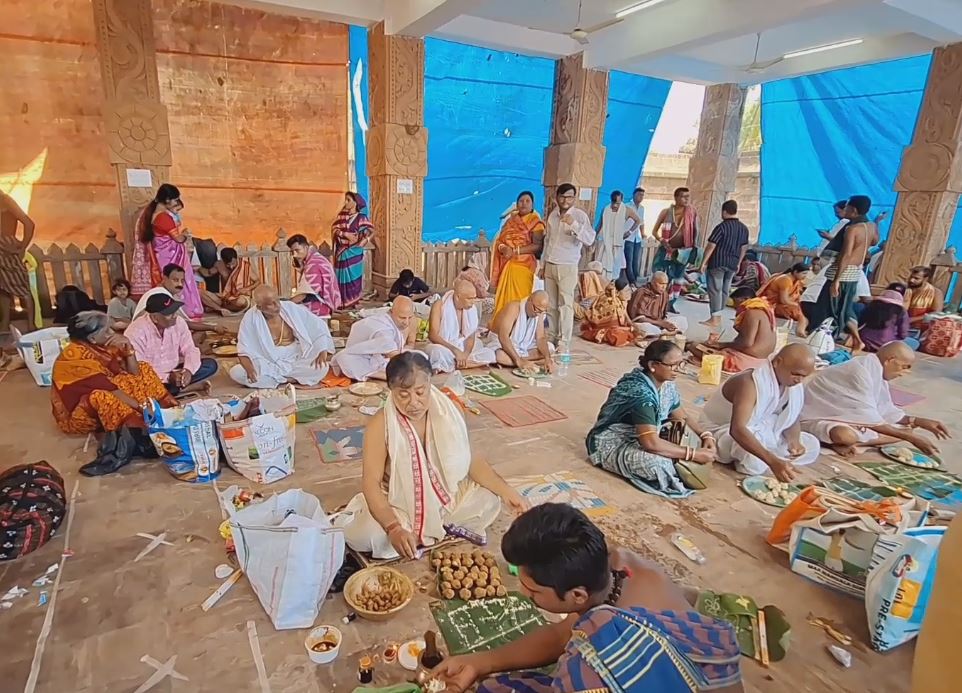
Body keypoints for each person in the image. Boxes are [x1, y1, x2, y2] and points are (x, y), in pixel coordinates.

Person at [433, 503, 742, 693]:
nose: (524, 595)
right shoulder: (615, 564)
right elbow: (563, 633)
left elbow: (571, 638)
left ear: (577, 595)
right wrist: (479, 662)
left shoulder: (606, 654)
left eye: (534, 591)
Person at [336, 352, 526, 559]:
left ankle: (433, 526)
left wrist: (508, 492)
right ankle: (424, 529)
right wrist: (393, 528)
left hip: (444, 496)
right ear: (390, 390)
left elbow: (470, 459)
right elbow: (371, 483)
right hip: (399, 503)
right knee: (365, 535)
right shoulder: (380, 424)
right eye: (404, 394)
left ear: (430, 383)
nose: (414, 402)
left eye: (420, 392)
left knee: (489, 500)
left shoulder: (450, 410)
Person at [586, 340, 717, 498]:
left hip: (644, 436)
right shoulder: (641, 394)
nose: (678, 370)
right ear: (653, 365)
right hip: (613, 442)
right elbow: (650, 443)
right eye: (673, 365)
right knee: (661, 466)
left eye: (681, 363)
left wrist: (705, 435)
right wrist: (693, 454)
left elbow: (681, 415)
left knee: (686, 440)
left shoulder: (666, 384)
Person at [799, 342, 950, 458]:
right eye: (904, 367)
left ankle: (854, 443)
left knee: (906, 429)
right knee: (845, 436)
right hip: (816, 419)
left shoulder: (875, 371)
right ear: (890, 360)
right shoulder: (860, 371)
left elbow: (884, 410)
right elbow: (872, 419)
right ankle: (848, 442)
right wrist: (912, 439)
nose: (904, 373)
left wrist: (918, 421)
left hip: (851, 419)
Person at [702, 344, 819, 481]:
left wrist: (794, 441)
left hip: (762, 430)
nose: (799, 380)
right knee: (754, 462)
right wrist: (771, 460)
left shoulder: (791, 385)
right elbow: (737, 429)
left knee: (812, 445)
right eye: (796, 374)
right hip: (722, 432)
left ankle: (772, 457)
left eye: (803, 376)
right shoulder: (749, 382)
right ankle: (769, 459)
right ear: (777, 362)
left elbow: (790, 415)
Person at [51, 311, 176, 434]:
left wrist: (129, 347)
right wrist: (142, 408)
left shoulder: (104, 345)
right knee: (102, 397)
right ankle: (137, 428)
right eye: (106, 331)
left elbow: (135, 373)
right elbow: (112, 390)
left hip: (109, 391)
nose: (112, 333)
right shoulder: (75, 357)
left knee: (143, 367)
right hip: (80, 414)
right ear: (92, 338)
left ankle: (163, 409)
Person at [231, 286, 335, 388]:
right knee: (237, 372)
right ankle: (290, 379)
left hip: (296, 356)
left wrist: (322, 351)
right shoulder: (251, 317)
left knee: (322, 368)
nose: (277, 305)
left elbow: (318, 327)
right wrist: (250, 370)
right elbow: (244, 349)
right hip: (267, 360)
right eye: (271, 303)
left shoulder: (290, 307)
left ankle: (277, 380)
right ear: (260, 307)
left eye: (277, 300)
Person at [129, 183, 203, 319]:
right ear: (168, 200)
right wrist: (186, 234)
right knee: (179, 282)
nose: (176, 203)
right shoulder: (163, 217)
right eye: (175, 200)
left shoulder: (150, 213)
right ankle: (186, 312)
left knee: (167, 283)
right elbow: (178, 239)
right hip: (169, 255)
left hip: (160, 255)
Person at [807, 195, 873, 346]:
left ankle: (819, 339)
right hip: (854, 272)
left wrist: (836, 280)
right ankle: (856, 339)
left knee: (826, 307)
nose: (844, 210)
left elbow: (846, 254)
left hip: (842, 271)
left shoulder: (852, 229)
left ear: (854, 210)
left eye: (847, 207)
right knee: (845, 308)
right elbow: (874, 240)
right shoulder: (870, 227)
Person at [125, 293, 218, 396]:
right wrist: (168, 378)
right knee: (140, 387)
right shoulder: (136, 331)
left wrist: (188, 371)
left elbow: (190, 349)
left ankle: (171, 390)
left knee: (210, 365)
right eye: (169, 314)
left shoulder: (179, 322)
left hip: (175, 370)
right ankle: (182, 389)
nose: (175, 316)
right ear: (155, 317)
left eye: (174, 311)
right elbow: (139, 369)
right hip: (151, 378)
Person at [541, 183, 596, 350]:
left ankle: (564, 342)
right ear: (556, 197)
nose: (566, 200)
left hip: (567, 266)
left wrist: (574, 225)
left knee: (565, 304)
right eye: (563, 196)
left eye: (570, 197)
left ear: (574, 198)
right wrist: (543, 264)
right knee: (550, 304)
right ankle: (551, 337)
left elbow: (589, 239)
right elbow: (548, 241)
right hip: (550, 263)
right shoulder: (552, 216)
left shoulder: (579, 216)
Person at [134, 263, 229, 344]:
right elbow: (182, 323)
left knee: (199, 333)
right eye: (175, 280)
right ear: (164, 278)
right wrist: (213, 328)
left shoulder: (166, 293)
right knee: (197, 335)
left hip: (158, 334)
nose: (179, 284)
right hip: (150, 339)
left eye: (182, 281)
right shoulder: (160, 295)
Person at [689, 287, 776, 374]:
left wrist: (721, 345)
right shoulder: (764, 308)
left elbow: (746, 343)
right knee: (703, 346)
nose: (734, 306)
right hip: (761, 361)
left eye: (736, 302)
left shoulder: (752, 312)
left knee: (693, 346)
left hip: (746, 362)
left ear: (745, 299)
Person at [330, 296, 417, 381]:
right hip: (360, 356)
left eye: (409, 317)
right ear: (391, 312)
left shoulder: (397, 321)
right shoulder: (383, 329)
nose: (406, 322)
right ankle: (384, 376)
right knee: (345, 359)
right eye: (402, 318)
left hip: (379, 357)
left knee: (420, 356)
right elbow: (394, 355)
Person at [424, 278, 496, 373]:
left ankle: (454, 364)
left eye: (474, 298)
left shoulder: (472, 309)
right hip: (445, 347)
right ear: (458, 297)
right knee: (435, 352)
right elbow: (433, 335)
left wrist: (465, 354)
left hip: (462, 347)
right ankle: (465, 364)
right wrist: (455, 351)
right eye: (469, 299)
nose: (473, 302)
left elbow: (470, 336)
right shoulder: (439, 305)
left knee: (489, 353)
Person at [491, 191, 545, 315]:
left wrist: (514, 251)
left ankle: (516, 325)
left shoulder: (536, 222)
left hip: (524, 265)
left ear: (533, 204)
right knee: (503, 299)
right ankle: (501, 324)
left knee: (519, 299)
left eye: (527, 201)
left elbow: (537, 246)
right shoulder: (510, 220)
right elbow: (500, 240)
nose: (524, 204)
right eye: (521, 201)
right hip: (507, 263)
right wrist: (503, 248)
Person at [700, 200, 749, 329]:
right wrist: (738, 262)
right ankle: (719, 316)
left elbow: (711, 246)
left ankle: (714, 318)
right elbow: (744, 247)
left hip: (718, 262)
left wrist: (703, 262)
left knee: (715, 289)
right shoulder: (743, 228)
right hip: (733, 263)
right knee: (725, 289)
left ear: (724, 211)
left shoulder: (721, 227)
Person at [650, 187, 699, 310]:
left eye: (688, 196)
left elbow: (696, 232)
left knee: (678, 278)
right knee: (662, 277)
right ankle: (659, 302)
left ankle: (670, 304)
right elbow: (654, 231)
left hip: (682, 252)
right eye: (684, 196)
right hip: (666, 250)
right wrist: (662, 241)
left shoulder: (691, 213)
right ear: (676, 197)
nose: (687, 199)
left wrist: (693, 250)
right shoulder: (666, 212)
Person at [488, 290, 554, 372]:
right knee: (499, 356)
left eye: (542, 311)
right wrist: (518, 360)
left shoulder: (539, 313)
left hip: (522, 347)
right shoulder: (514, 307)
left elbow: (540, 338)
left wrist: (547, 358)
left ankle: (518, 362)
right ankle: (529, 362)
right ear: (529, 300)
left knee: (550, 348)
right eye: (536, 309)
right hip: (502, 343)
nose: (538, 314)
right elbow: (503, 337)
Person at [0, 191, 37, 332]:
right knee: (3, 288)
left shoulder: (6, 200)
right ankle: (4, 324)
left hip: (8, 248)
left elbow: (29, 224)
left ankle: (31, 324)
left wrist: (22, 247)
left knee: (22, 286)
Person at [332, 191, 374, 308]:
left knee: (354, 277)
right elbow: (334, 230)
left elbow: (371, 231)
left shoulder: (361, 217)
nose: (345, 202)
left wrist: (364, 241)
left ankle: (353, 300)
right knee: (341, 276)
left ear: (355, 203)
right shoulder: (341, 216)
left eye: (348, 200)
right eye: (345, 200)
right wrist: (346, 234)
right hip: (342, 251)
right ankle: (342, 301)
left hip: (355, 252)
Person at [288, 234, 341, 319]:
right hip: (325, 302)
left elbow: (303, 294)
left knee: (290, 314)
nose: (294, 255)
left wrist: (285, 304)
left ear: (305, 247)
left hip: (320, 307)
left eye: (297, 250)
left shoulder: (313, 265)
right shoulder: (316, 258)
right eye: (292, 252)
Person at [594, 190, 640, 282]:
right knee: (602, 266)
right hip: (605, 242)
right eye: (613, 202)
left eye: (618, 203)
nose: (615, 206)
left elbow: (638, 221)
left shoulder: (627, 210)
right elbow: (600, 225)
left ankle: (614, 285)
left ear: (622, 200)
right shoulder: (606, 209)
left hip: (618, 243)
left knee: (618, 266)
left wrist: (629, 232)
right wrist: (593, 237)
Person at [627, 271, 690, 338]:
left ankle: (662, 332)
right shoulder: (641, 292)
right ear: (653, 282)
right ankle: (664, 333)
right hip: (645, 323)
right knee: (646, 328)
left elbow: (664, 315)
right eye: (661, 283)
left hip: (660, 324)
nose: (664, 287)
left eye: (665, 284)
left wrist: (666, 323)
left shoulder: (664, 294)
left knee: (683, 320)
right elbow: (638, 318)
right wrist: (661, 323)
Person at [198, 247, 259, 315]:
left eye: (233, 263)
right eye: (228, 264)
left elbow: (257, 281)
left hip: (239, 298)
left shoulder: (244, 266)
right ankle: (220, 309)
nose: (231, 267)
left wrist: (246, 288)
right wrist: (197, 267)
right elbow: (207, 273)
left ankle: (216, 308)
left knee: (240, 302)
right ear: (223, 260)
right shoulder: (219, 265)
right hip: (225, 298)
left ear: (236, 258)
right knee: (199, 292)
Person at [757, 262, 810, 336]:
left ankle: (801, 329)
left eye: (806, 274)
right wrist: (795, 304)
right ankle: (800, 330)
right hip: (772, 304)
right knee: (797, 310)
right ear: (795, 272)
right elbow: (784, 300)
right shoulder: (785, 280)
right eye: (804, 273)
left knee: (804, 309)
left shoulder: (796, 280)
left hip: (783, 303)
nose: (805, 276)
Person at [579, 282, 634, 347]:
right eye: (626, 291)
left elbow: (627, 318)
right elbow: (610, 323)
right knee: (618, 336)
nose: (629, 293)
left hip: (617, 327)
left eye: (629, 290)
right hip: (605, 327)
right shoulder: (610, 302)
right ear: (618, 293)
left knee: (635, 331)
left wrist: (634, 326)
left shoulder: (621, 301)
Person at [905, 265, 944, 330]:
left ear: (925, 279)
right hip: (902, 326)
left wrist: (911, 319)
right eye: (910, 277)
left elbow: (936, 312)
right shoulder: (905, 289)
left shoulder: (935, 292)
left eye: (916, 278)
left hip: (921, 329)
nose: (911, 280)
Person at [623, 187, 646, 286]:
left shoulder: (642, 208)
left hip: (637, 238)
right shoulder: (627, 206)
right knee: (629, 259)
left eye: (642, 195)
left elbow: (641, 222)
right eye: (639, 195)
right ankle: (631, 280)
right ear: (634, 195)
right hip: (628, 237)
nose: (641, 197)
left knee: (636, 260)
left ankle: (635, 279)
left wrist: (643, 233)